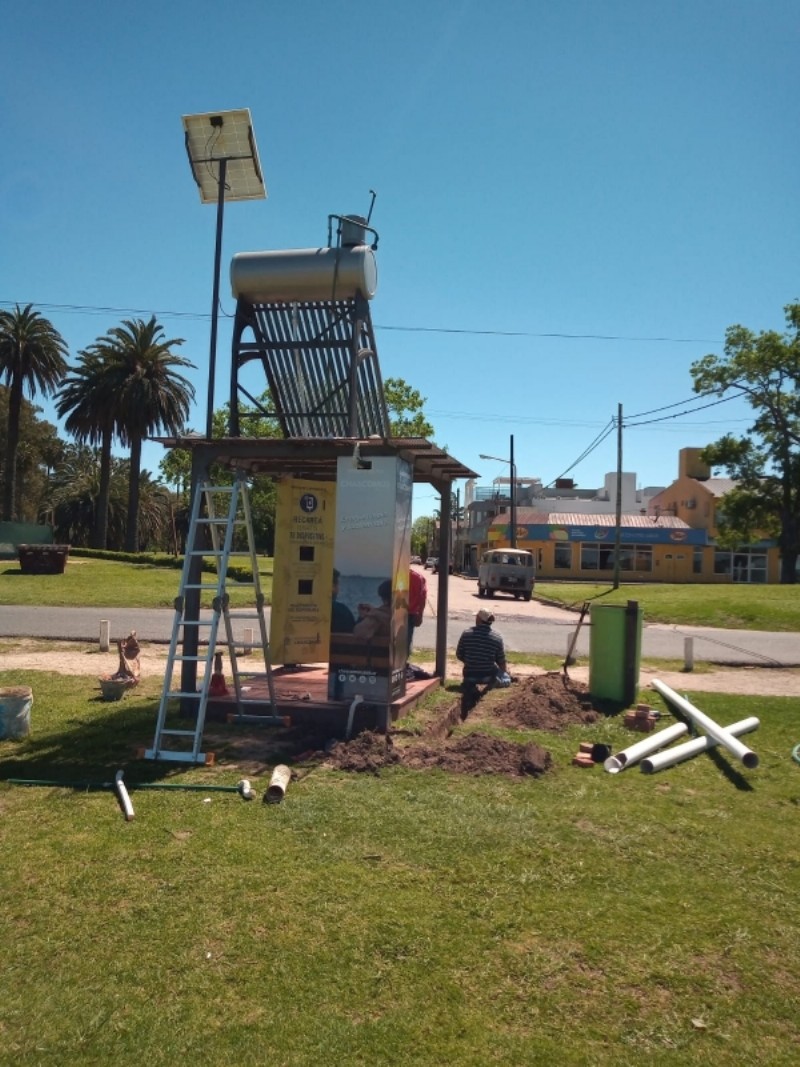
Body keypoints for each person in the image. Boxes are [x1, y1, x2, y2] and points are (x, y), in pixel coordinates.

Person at [456, 609, 508, 691]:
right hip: (487, 675)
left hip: (469, 675)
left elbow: (459, 654)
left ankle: (469, 685)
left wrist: (470, 661)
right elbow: (501, 661)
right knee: (504, 676)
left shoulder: (466, 633)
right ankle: (498, 683)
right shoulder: (497, 637)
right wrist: (504, 673)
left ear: (479, 619)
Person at [407, 567, 427, 656]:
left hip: (409, 614)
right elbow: (422, 597)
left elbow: (422, 598)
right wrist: (420, 615)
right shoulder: (417, 577)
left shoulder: (416, 577)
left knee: (405, 641)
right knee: (406, 641)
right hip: (409, 614)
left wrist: (420, 615)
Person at [331, 569, 356, 633]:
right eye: (338, 585)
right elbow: (353, 633)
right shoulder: (342, 611)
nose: (338, 589)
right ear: (333, 586)